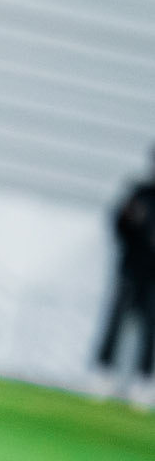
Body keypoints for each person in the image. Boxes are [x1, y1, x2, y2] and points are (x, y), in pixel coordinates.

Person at [94, 148, 155, 402]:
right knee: (116, 320)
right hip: (131, 268)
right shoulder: (139, 192)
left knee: (150, 327)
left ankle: (144, 380)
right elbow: (118, 225)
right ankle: (103, 372)